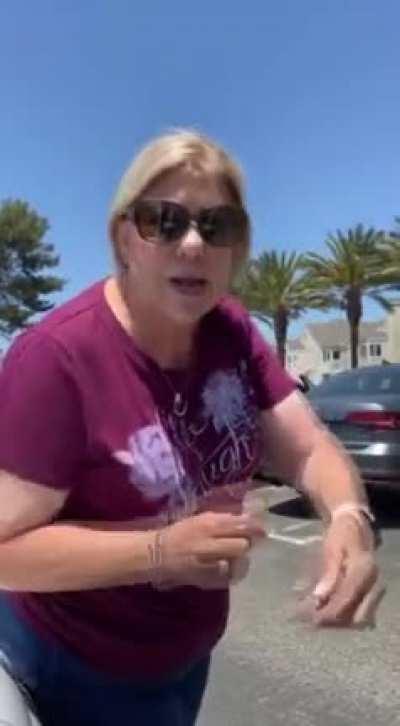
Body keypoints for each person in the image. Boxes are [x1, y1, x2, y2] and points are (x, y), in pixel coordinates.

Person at [0, 129, 379, 726]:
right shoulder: (56, 358)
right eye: (165, 222)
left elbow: (307, 445)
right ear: (125, 238)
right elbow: (4, 552)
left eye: (217, 226)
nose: (194, 244)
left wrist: (350, 518)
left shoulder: (228, 329)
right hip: (73, 668)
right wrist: (158, 552)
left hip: (182, 661)